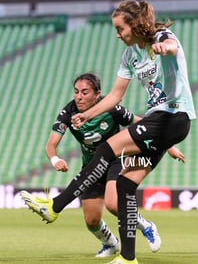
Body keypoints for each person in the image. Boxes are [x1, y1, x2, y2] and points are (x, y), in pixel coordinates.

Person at [21, 0, 196, 264]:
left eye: (119, 28)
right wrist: (86, 114)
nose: (117, 34)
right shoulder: (129, 56)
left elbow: (171, 46)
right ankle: (128, 258)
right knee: (125, 186)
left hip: (173, 116)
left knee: (107, 148)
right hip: (158, 124)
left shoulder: (161, 36)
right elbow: (115, 95)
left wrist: (165, 48)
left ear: (135, 24)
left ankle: (55, 206)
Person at [23, 73, 183, 257]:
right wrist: (55, 159)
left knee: (114, 205)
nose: (79, 96)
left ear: (97, 94)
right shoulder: (68, 113)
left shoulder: (111, 108)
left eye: (85, 92)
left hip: (116, 160)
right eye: (76, 92)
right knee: (91, 220)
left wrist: (169, 145)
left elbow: (141, 123)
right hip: (91, 167)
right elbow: (51, 145)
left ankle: (145, 225)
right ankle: (111, 244)